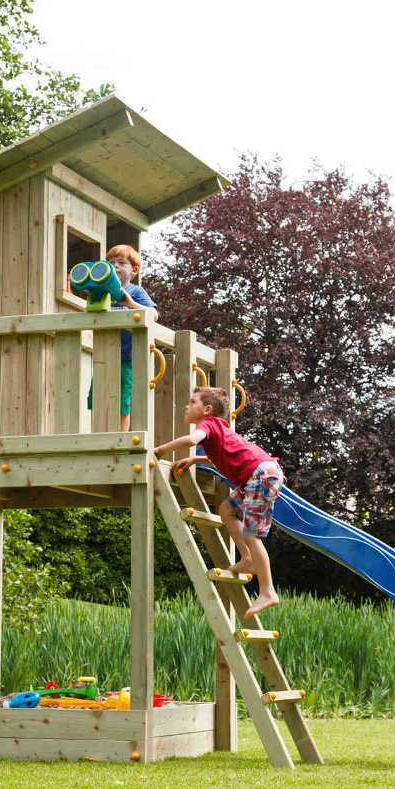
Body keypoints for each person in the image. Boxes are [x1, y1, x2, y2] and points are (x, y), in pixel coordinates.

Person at [154, 387, 284, 620]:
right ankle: (246, 559)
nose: (186, 406)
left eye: (192, 402)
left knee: (252, 534)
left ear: (207, 409)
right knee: (226, 509)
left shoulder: (207, 425)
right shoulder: (219, 428)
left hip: (260, 475)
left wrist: (161, 450)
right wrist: (196, 458)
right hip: (257, 475)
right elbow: (226, 455)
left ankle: (267, 592)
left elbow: (191, 439)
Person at [86, 244, 156, 432]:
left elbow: (153, 315)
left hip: (127, 356)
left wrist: (130, 303)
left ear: (133, 270)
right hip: (103, 355)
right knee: (98, 397)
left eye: (121, 263)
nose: (115, 266)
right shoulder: (102, 293)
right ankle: (99, 435)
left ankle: (121, 436)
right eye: (110, 263)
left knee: (123, 400)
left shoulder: (136, 291)